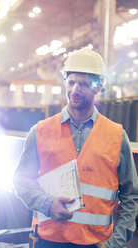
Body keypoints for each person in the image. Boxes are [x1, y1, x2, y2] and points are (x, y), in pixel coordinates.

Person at [13, 47, 138, 248]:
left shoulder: (116, 136)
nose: (75, 90)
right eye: (71, 82)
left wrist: (116, 242)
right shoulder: (40, 131)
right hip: (47, 241)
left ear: (98, 87)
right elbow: (20, 179)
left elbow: (132, 196)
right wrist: (46, 203)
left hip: (97, 244)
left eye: (84, 84)